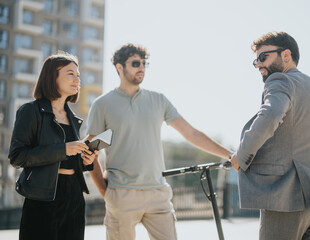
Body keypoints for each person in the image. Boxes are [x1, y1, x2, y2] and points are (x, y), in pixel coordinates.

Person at [86, 43, 232, 240]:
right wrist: (106, 192)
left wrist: (230, 155)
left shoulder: (158, 100)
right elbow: (90, 152)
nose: (142, 68)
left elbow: (191, 133)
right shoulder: (102, 104)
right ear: (119, 67)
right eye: (136, 63)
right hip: (121, 194)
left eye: (145, 63)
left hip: (158, 194)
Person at [230, 31, 310, 240]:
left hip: (289, 195)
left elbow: (270, 115)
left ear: (286, 55)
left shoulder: (281, 80)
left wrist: (240, 158)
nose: (259, 64)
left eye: (263, 57)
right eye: (256, 60)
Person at [8, 52, 98, 240]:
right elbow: (17, 156)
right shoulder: (31, 111)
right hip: (42, 197)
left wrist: (86, 162)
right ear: (52, 77)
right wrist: (63, 149)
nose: (77, 79)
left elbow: (68, 160)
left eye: (78, 75)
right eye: (70, 74)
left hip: (74, 195)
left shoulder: (73, 118)